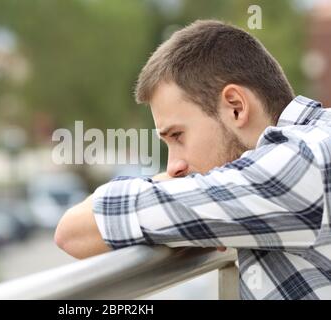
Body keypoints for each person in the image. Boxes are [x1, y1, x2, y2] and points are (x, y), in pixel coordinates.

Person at [54, 20, 331, 300]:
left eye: (177, 136)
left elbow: (75, 232)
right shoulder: (318, 141)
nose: (174, 165)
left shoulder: (297, 167)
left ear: (235, 107)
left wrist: (181, 192)